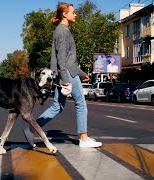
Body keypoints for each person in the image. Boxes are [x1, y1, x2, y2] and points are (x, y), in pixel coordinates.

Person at [23, 3, 102, 148]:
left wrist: (82, 74)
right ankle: (83, 138)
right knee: (81, 104)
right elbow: (61, 60)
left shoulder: (62, 31)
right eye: (73, 12)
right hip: (67, 74)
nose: (75, 14)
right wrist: (66, 80)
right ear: (64, 14)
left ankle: (31, 128)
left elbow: (68, 60)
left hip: (64, 72)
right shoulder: (62, 31)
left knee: (57, 106)